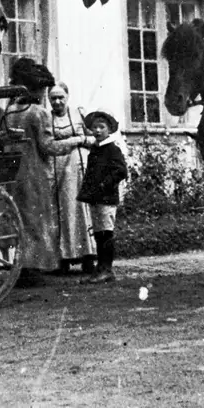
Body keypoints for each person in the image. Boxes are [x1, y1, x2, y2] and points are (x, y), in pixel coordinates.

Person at [3, 57, 94, 287]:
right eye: (44, 90)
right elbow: (49, 147)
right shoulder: (38, 112)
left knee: (20, 220)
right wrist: (78, 140)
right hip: (35, 173)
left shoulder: (10, 110)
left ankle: (22, 267)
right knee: (36, 220)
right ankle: (31, 268)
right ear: (37, 90)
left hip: (13, 171)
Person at [48, 82, 96, 275]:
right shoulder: (46, 118)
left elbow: (95, 138)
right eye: (53, 98)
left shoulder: (78, 114)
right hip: (56, 169)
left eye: (61, 97)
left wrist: (81, 140)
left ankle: (88, 256)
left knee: (81, 211)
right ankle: (62, 259)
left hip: (78, 168)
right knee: (60, 212)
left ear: (68, 97)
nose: (57, 102)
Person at [77, 110, 127, 284]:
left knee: (106, 233)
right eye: (94, 128)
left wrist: (105, 185)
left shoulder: (112, 149)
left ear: (109, 129)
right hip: (96, 198)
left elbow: (121, 171)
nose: (97, 131)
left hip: (106, 198)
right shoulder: (95, 150)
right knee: (99, 234)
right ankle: (101, 267)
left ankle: (107, 269)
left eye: (101, 127)